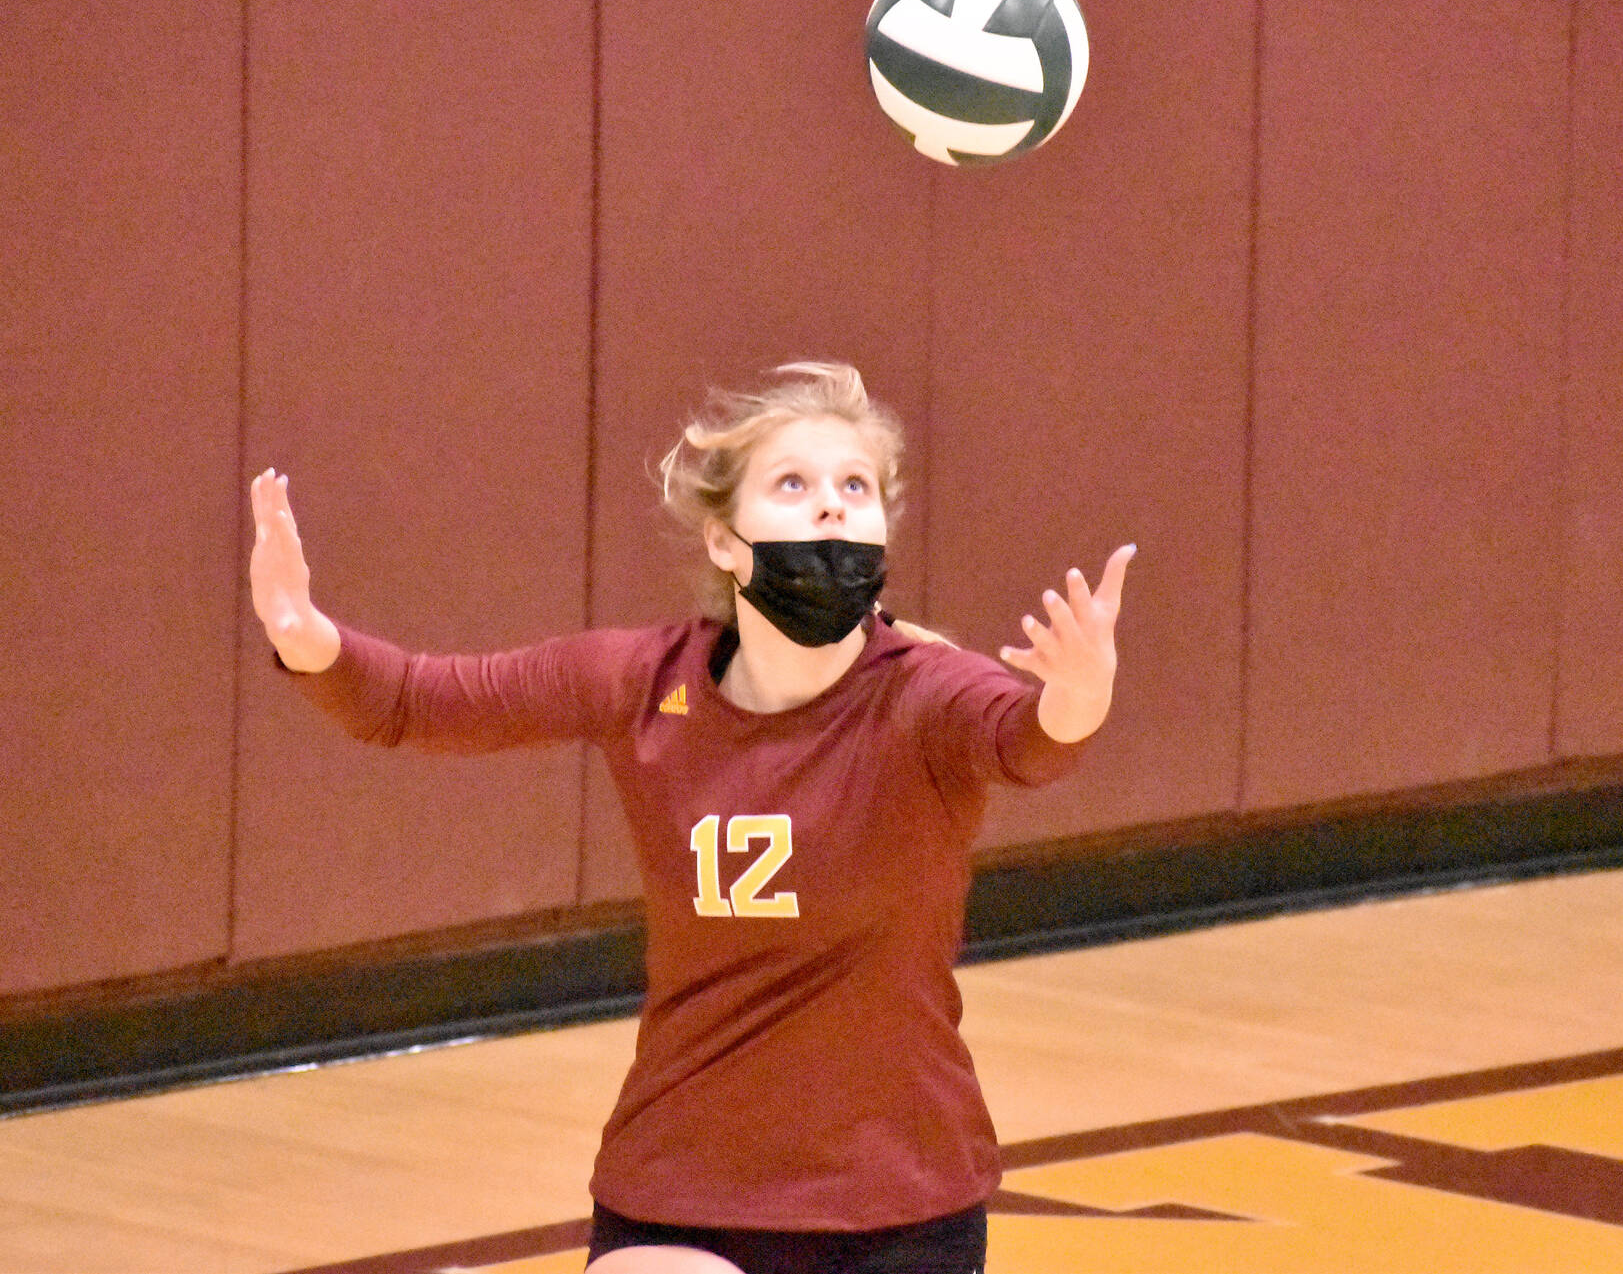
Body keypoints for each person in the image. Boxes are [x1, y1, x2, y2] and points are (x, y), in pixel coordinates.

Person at [248, 362, 1134, 1274]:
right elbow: (417, 703)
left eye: (854, 487)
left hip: (899, 1203)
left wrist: (1078, 697)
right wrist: (303, 634)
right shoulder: (640, 681)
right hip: (685, 1193)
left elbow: (1029, 743)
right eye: (793, 484)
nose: (831, 506)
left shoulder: (923, 692)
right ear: (723, 538)